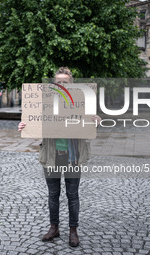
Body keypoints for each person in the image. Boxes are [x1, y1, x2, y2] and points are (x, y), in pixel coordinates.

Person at [18, 67, 101, 247]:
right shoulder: (45, 103)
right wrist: (25, 125)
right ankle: (54, 227)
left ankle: (73, 230)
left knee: (72, 194)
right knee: (53, 194)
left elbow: (88, 129)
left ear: (72, 85)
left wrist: (95, 121)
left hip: (72, 156)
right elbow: (34, 124)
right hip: (52, 155)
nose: (61, 85)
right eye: (58, 82)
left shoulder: (82, 102)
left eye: (65, 82)